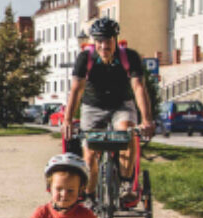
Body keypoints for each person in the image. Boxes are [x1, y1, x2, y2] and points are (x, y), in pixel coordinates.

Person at [61, 17, 155, 204]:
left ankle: (125, 185)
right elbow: (76, 89)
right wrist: (68, 120)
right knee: (89, 154)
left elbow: (138, 88)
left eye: (108, 40)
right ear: (94, 42)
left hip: (121, 104)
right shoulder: (85, 59)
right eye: (99, 40)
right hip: (92, 106)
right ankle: (89, 195)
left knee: (126, 135)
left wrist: (146, 120)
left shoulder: (130, 57)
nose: (104, 45)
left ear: (115, 40)